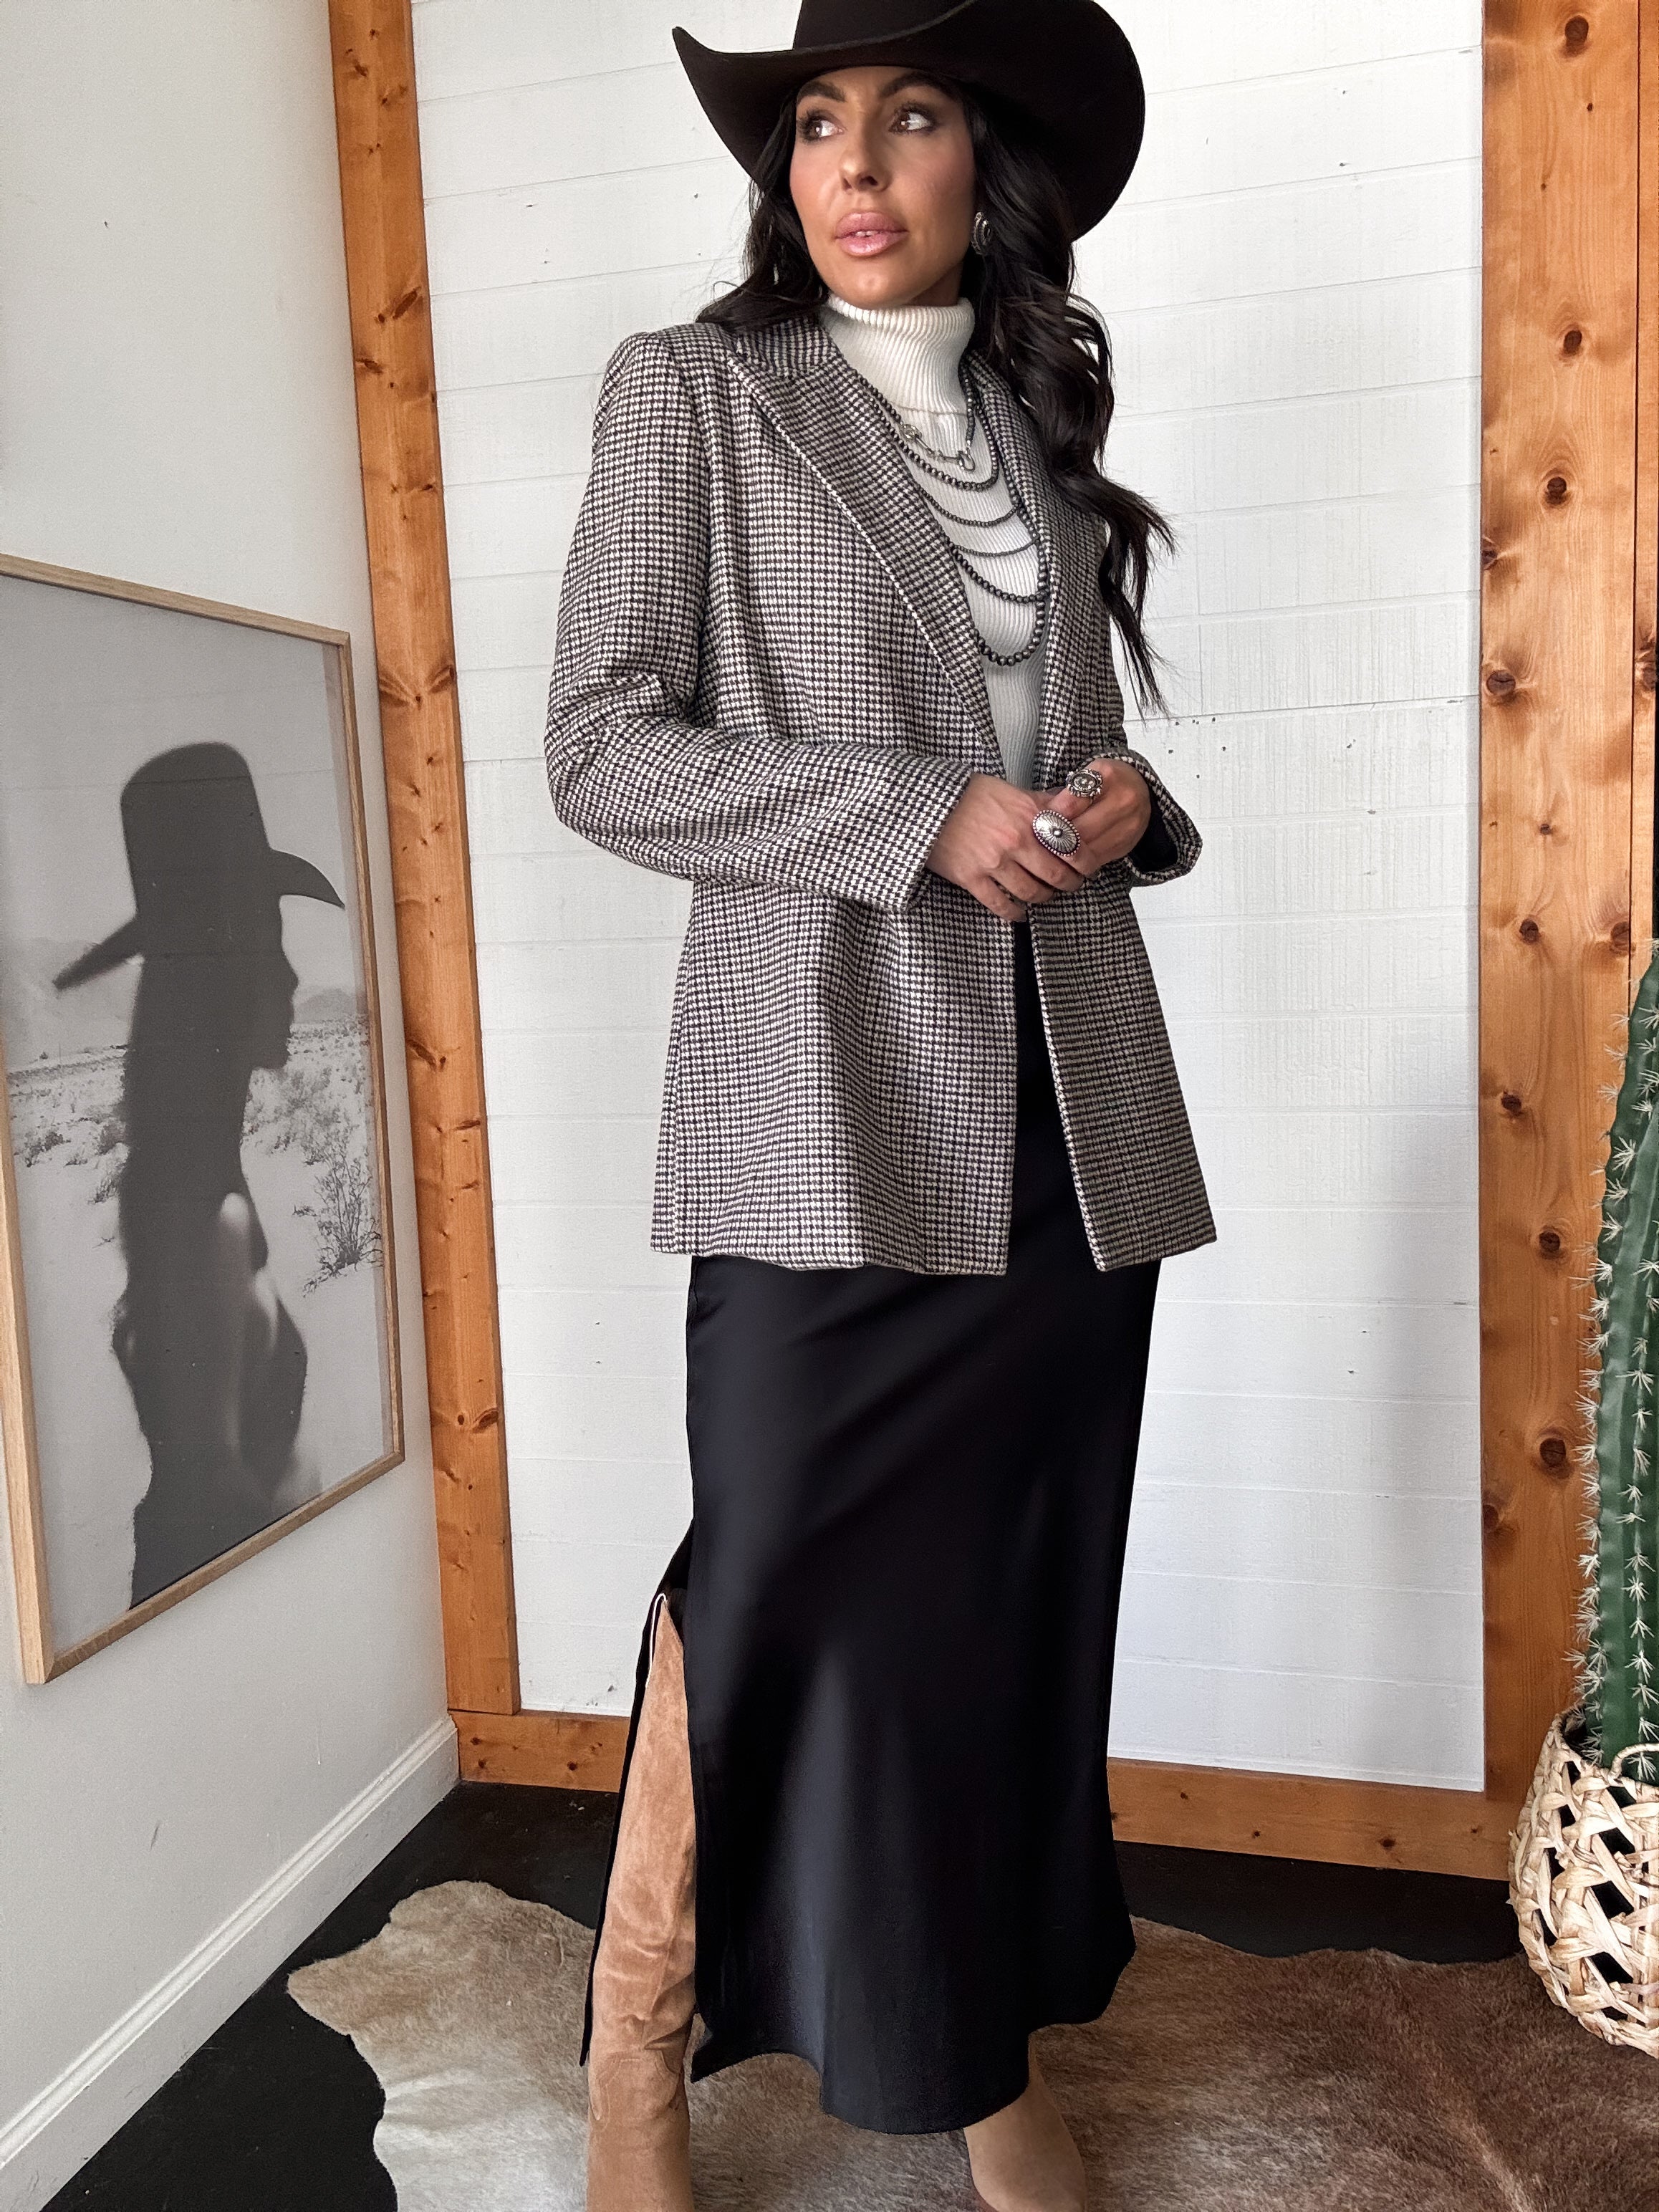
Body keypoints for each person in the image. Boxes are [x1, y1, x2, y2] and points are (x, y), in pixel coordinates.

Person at [542, 4, 1216, 2204]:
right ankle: (636, 2046)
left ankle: (972, 2051)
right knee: (771, 1573)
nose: (849, 163)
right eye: (814, 122)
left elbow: (1069, 746)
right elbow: (600, 748)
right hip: (820, 1105)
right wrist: (916, 813)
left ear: (979, 164)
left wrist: (1119, 805)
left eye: (904, 117)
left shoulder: (1031, 423)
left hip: (1064, 1124)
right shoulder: (694, 391)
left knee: (990, 1609)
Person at [55, 743, 343, 1606]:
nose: (292, 972)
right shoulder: (207, 1218)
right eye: (267, 941)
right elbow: (209, 1519)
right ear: (218, 975)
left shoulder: (191, 1188)